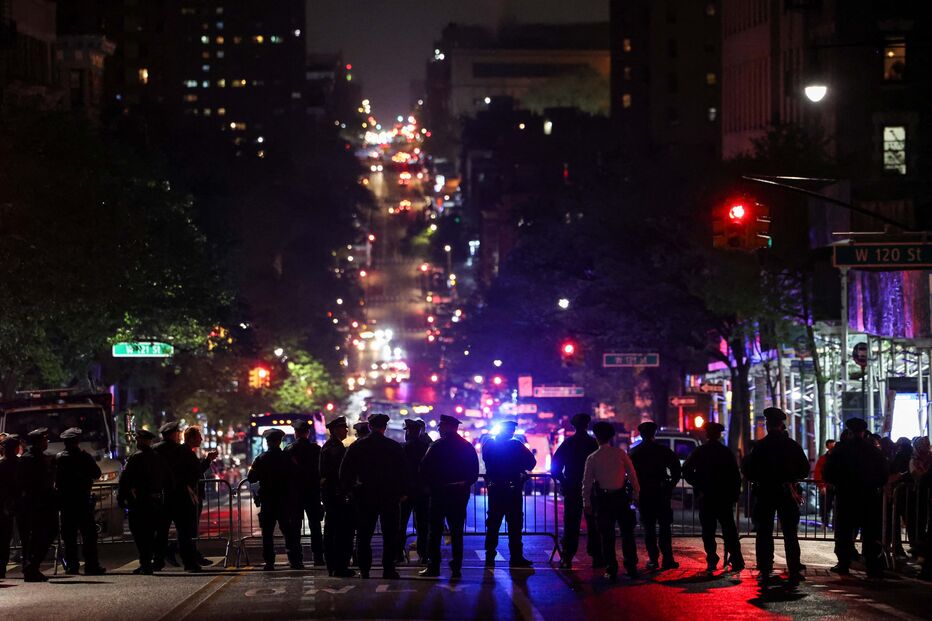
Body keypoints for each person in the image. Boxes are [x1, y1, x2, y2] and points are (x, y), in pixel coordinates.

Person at [741, 407, 810, 584]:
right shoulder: (791, 445)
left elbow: (748, 470)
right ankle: (793, 569)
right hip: (786, 492)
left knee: (764, 532)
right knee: (790, 534)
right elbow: (804, 469)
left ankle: (765, 568)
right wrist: (791, 478)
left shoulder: (760, 447)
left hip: (765, 492)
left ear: (768, 425)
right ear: (781, 425)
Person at [340, 413, 407, 579]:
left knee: (364, 534)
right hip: (389, 496)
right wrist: (402, 492)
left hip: (365, 495)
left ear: (369, 426)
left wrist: (350, 490)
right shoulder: (394, 446)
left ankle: (364, 569)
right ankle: (389, 569)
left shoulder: (358, 446)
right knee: (390, 534)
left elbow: (345, 471)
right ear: (385, 427)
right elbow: (404, 473)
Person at [823, 417, 888, 578]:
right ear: (864, 432)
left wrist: (838, 483)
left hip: (846, 496)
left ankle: (844, 563)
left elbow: (828, 472)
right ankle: (872, 566)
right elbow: (883, 474)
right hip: (869, 496)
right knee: (870, 532)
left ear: (850, 432)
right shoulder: (873, 450)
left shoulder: (841, 450)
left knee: (844, 531)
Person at [418, 414, 480, 579]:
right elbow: (474, 473)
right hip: (459, 494)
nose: (438, 428)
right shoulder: (467, 447)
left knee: (435, 532)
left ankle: (434, 566)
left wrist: (432, 485)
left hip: (440, 494)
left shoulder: (437, 446)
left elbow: (423, 468)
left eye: (440, 426)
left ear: (447, 427)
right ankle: (456, 566)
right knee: (457, 531)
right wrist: (462, 484)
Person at [683, 422, 744, 573]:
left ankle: (712, 559)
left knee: (708, 531)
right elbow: (735, 476)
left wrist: (698, 484)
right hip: (724, 497)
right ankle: (736, 559)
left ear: (707, 434)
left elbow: (686, 470)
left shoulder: (700, 451)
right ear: (719, 434)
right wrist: (734, 495)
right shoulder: (726, 452)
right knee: (729, 529)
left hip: (707, 496)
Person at [582, 421, 641, 581]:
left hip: (604, 500)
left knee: (607, 536)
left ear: (596, 437)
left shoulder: (592, 458)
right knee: (627, 534)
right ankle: (631, 567)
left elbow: (586, 483)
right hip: (621, 498)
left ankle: (611, 568)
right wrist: (636, 493)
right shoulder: (620, 454)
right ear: (612, 436)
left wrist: (586, 503)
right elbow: (632, 474)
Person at [482, 418, 536, 568]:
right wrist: (518, 467)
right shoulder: (516, 445)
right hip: (513, 488)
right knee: (515, 523)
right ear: (511, 431)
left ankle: (489, 555)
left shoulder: (489, 444)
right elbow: (531, 463)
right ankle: (516, 557)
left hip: (495, 488)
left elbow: (486, 459)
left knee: (493, 522)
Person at [551, 413, 601, 569]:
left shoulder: (568, 444)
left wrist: (563, 481)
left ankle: (567, 557)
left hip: (573, 487)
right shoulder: (594, 444)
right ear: (587, 425)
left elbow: (556, 466)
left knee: (571, 523)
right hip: (592, 489)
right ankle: (597, 557)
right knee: (594, 524)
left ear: (573, 425)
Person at [248, 428, 303, 570]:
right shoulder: (287, 457)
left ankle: (269, 562)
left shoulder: (261, 458)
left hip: (268, 500)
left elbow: (251, 478)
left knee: (267, 533)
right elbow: (296, 474)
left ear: (267, 442)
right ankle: (295, 560)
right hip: (285, 500)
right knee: (288, 532)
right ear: (279, 441)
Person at [629, 421, 682, 570]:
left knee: (649, 528)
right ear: (654, 433)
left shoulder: (634, 452)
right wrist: (669, 486)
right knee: (665, 527)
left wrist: (634, 491)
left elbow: (628, 475)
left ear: (640, 434)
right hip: (661, 493)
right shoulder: (663, 451)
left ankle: (653, 559)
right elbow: (676, 470)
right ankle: (668, 559)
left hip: (644, 493)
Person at [118, 429, 171, 574]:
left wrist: (121, 498)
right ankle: (157, 560)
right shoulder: (158, 458)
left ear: (141, 441)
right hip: (156, 500)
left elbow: (125, 480)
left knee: (141, 534)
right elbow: (168, 479)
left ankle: (146, 563)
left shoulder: (135, 458)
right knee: (154, 533)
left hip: (140, 501)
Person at [55, 427, 106, 575]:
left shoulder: (59, 458)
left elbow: (56, 480)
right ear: (77, 441)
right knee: (88, 534)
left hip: (66, 503)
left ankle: (72, 565)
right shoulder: (84, 457)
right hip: (82, 501)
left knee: (69, 536)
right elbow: (97, 473)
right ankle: (91, 565)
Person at [153, 421, 201, 572]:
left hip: (161, 496)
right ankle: (189, 563)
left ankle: (158, 561)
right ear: (174, 434)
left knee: (161, 532)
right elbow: (196, 470)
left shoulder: (154, 451)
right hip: (180, 495)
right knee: (184, 532)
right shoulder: (182, 451)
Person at [17, 428, 58, 582]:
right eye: (44, 440)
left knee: (42, 535)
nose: (46, 442)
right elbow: (31, 482)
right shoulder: (30, 459)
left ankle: (32, 566)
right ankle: (31, 567)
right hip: (36, 503)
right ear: (38, 442)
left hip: (40, 502)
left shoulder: (37, 457)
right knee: (42, 534)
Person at [284, 419, 324, 566]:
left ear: (296, 433)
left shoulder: (289, 450)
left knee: (295, 527)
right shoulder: (316, 449)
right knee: (315, 526)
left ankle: (296, 559)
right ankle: (318, 557)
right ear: (308, 433)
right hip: (312, 492)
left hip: (295, 493)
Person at [320, 416, 354, 577]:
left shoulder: (334, 446)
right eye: (343, 428)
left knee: (333, 530)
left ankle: (334, 565)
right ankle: (339, 565)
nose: (346, 430)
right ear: (334, 430)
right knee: (340, 532)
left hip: (332, 495)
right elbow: (337, 474)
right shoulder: (335, 449)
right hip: (336, 495)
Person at [181, 426, 219, 566]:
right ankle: (189, 558)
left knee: (190, 529)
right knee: (189, 529)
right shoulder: (186, 453)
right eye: (198, 437)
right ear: (191, 438)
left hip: (193, 495)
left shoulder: (187, 452)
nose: (201, 439)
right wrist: (208, 460)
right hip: (190, 496)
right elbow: (197, 471)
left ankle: (192, 555)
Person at [398, 418, 432, 565]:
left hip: (405, 492)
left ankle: (398, 553)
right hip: (422, 492)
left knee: (401, 524)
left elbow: (398, 471)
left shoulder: (403, 448)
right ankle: (423, 554)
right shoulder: (427, 447)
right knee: (422, 525)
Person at [0, 434, 21, 579]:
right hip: (18, 503)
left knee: (4, 538)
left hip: (4, 505)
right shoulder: (20, 463)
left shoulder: (2, 464)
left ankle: (1, 567)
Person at [813, 439, 836, 526]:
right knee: (826, 507)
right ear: (827, 446)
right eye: (831, 445)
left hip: (834, 486)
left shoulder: (837, 458)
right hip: (826, 486)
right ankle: (825, 523)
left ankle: (834, 525)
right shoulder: (823, 459)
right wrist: (821, 486)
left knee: (835, 507)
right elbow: (817, 472)